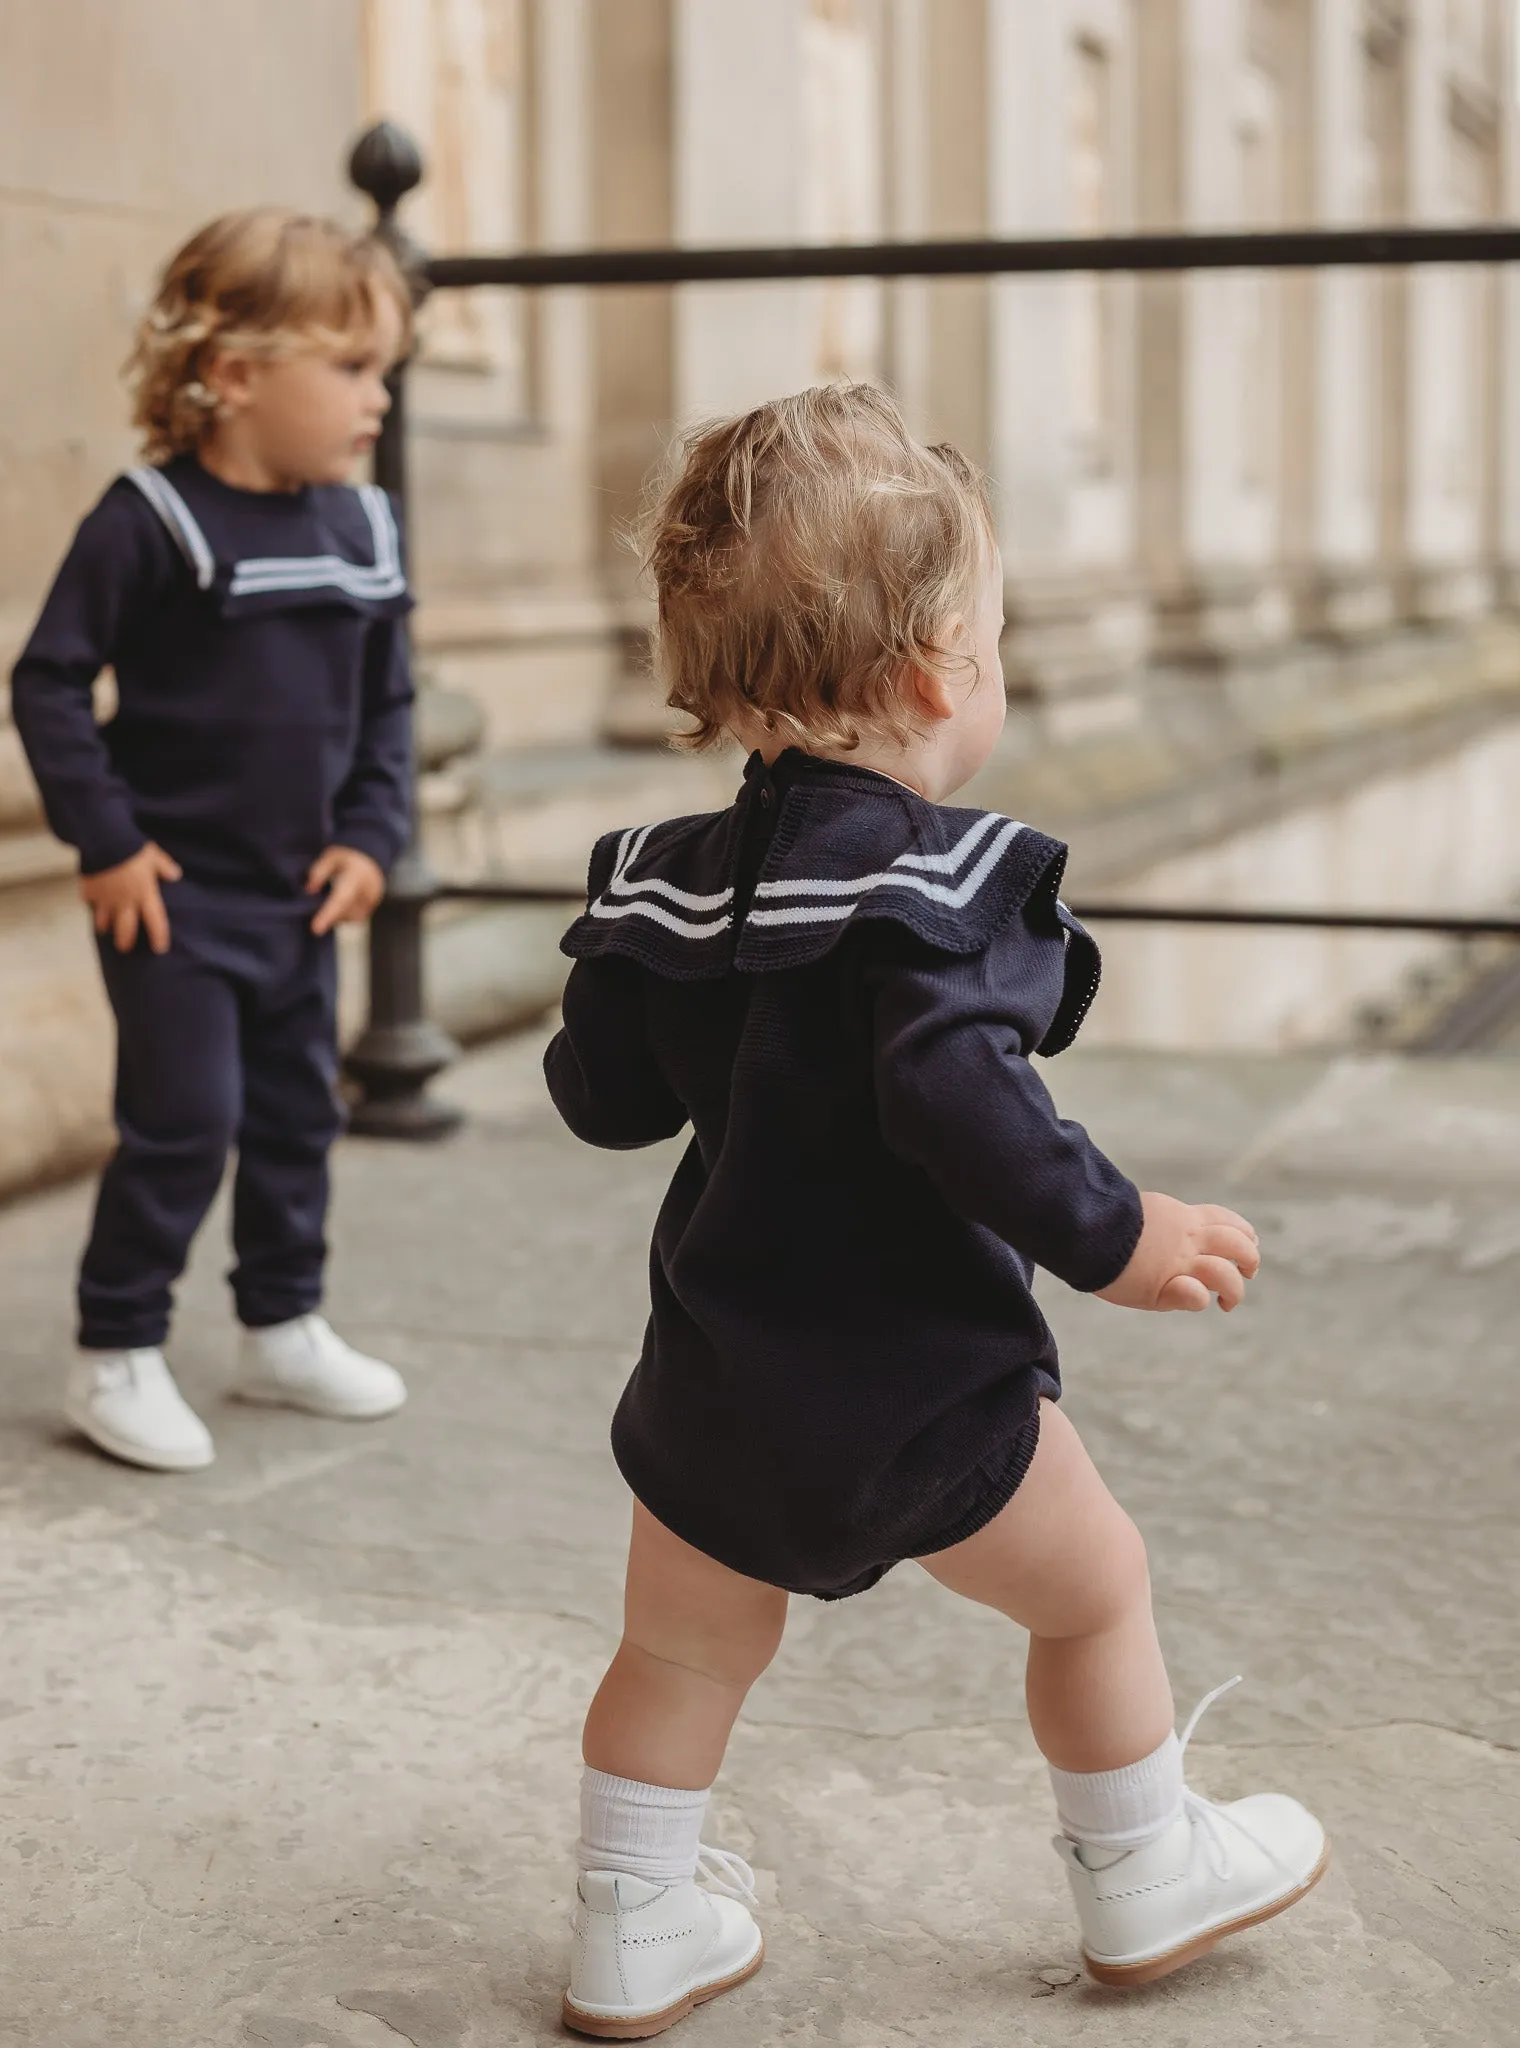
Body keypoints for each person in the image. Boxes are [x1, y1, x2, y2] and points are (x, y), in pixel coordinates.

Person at [543, 384, 1328, 2037]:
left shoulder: (663, 878)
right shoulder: (934, 888)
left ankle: (633, 1918)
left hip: (713, 1386)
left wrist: (620, 981)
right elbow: (962, 1096)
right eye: (991, 636)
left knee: (681, 1652)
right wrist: (1119, 1232)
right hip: (918, 1387)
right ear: (927, 675)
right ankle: (1140, 1868)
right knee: (1094, 1585)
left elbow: (603, 1102)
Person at [11, 209, 418, 1473]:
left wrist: (370, 830)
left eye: (387, 372)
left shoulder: (362, 531)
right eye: (351, 370)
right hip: (173, 903)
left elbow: (387, 702)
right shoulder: (150, 520)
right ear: (233, 375)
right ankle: (116, 1346)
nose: (378, 401)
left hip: (300, 898)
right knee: (186, 1119)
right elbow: (48, 683)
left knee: (298, 1114)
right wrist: (106, 839)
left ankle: (280, 1321)